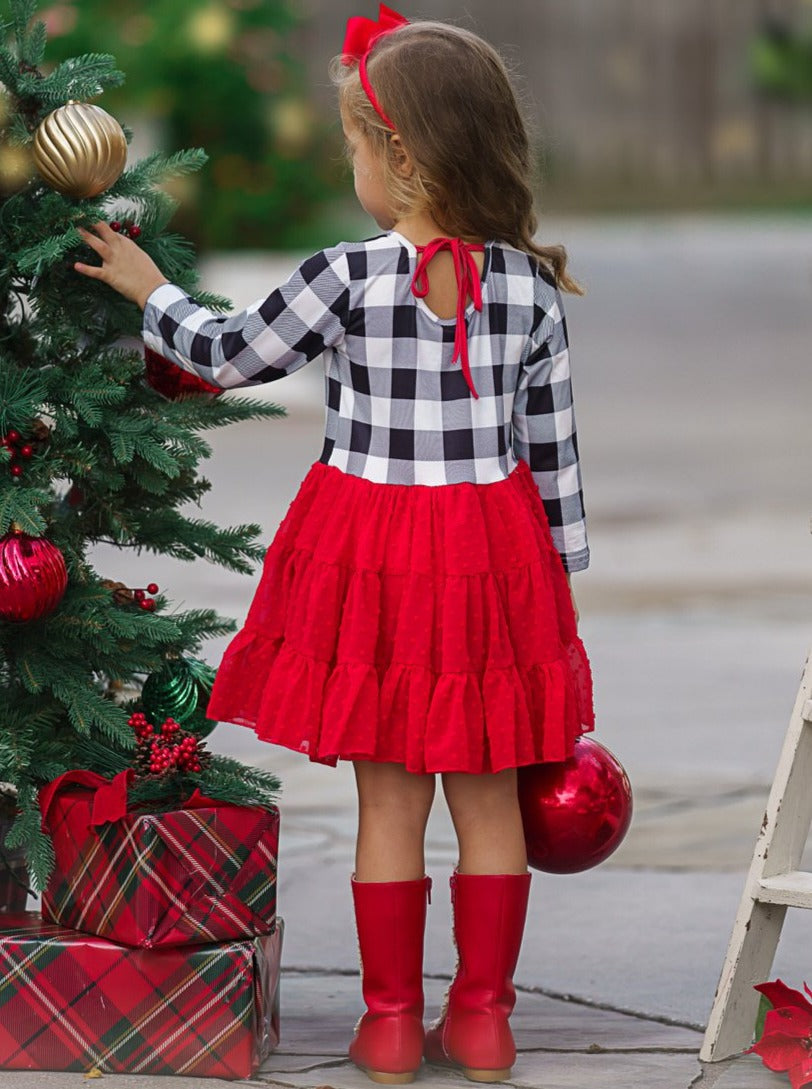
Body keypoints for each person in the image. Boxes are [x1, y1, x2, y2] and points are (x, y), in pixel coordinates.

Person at [74, 5, 594, 1083]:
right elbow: (551, 459)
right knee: (489, 791)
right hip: (492, 554)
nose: (349, 165)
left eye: (355, 146)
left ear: (398, 156)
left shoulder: (343, 276)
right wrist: (552, 589)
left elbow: (226, 355)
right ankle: (484, 1020)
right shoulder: (527, 288)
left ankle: (393, 1023)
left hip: (373, 550)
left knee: (389, 795)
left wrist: (146, 287)